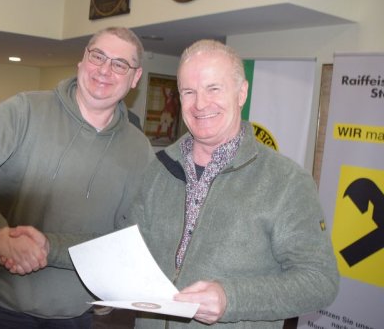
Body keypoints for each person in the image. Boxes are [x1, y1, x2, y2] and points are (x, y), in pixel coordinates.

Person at [0, 26, 154, 329]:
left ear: (135, 77)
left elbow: (126, 239)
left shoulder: (139, 150)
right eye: (98, 56)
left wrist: (51, 248)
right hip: (1, 302)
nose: (104, 70)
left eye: (120, 64)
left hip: (75, 312)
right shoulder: (27, 110)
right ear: (82, 60)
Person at [123, 40, 339, 328]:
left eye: (213, 88)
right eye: (189, 92)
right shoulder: (158, 170)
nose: (200, 104)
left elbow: (320, 281)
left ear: (241, 93)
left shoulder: (286, 181)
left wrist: (231, 298)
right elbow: (132, 251)